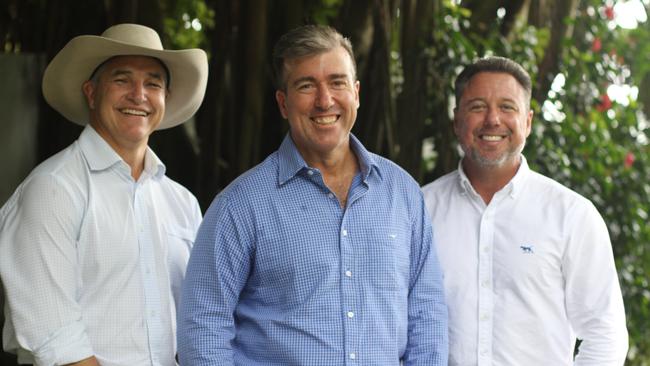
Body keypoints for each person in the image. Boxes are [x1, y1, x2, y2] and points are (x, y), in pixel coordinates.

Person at [178, 24, 448, 365]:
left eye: (337, 82)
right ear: (283, 103)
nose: (325, 101)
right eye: (306, 86)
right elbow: (203, 327)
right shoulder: (240, 205)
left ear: (357, 93)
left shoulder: (403, 193)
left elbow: (427, 314)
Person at [0, 23, 208, 366]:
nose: (138, 95)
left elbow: (199, 316)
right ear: (91, 92)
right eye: (122, 79)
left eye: (153, 83)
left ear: (165, 99)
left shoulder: (183, 203)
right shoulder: (52, 189)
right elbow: (55, 338)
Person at [421, 56, 628, 365]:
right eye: (477, 106)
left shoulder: (572, 216)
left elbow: (605, 333)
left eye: (507, 107)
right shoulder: (420, 211)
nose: (493, 120)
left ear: (527, 122)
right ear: (456, 119)